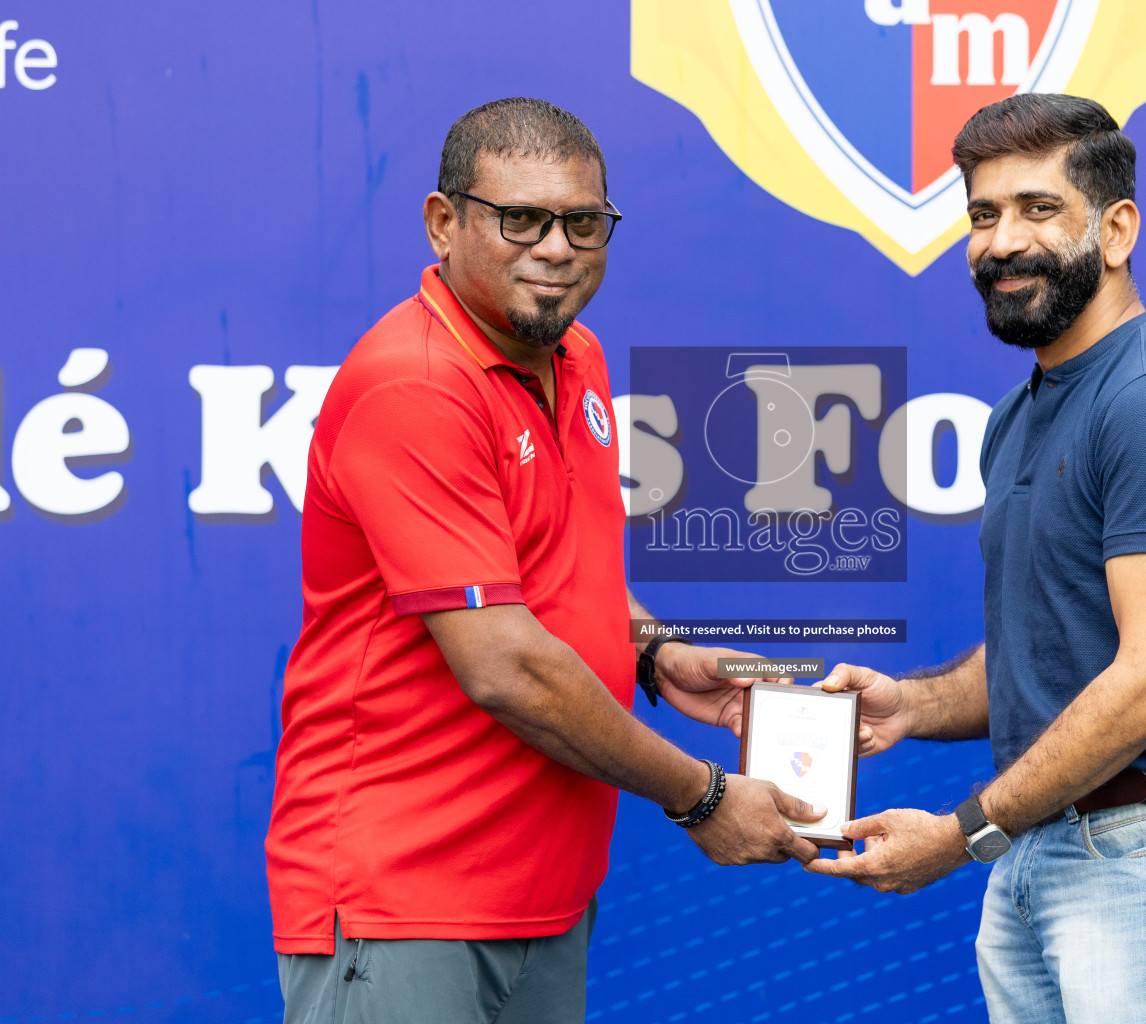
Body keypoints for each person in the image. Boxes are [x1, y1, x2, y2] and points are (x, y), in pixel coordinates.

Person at [265, 97, 823, 1024]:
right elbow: (506, 666)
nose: (556, 247)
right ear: (444, 223)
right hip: (404, 897)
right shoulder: (416, 384)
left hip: (544, 895)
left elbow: (561, 567)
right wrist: (701, 796)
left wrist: (651, 653)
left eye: (583, 222)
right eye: (520, 218)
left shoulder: (576, 355)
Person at [805, 94, 1146, 1023]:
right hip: (1040, 851)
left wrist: (960, 833)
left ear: (1117, 229)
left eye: (1037, 208)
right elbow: (1054, 651)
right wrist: (913, 704)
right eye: (983, 215)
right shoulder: (1022, 414)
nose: (1001, 242)